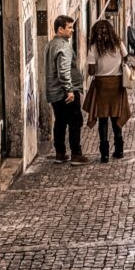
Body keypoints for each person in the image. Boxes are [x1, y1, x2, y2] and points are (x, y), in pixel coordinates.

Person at [82, 19, 135, 162]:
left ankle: (104, 154)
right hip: (117, 84)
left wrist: (98, 66)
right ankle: (119, 150)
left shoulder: (94, 47)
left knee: (102, 119)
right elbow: (126, 58)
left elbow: (92, 71)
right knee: (116, 116)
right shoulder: (118, 44)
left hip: (101, 85)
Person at [44, 15, 90, 165]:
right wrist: (69, 90)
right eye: (69, 28)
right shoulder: (63, 46)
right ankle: (76, 154)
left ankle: (60, 153)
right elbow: (63, 70)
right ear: (60, 29)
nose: (73, 31)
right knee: (75, 121)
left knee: (60, 122)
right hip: (65, 92)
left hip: (54, 92)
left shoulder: (50, 45)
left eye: (72, 27)